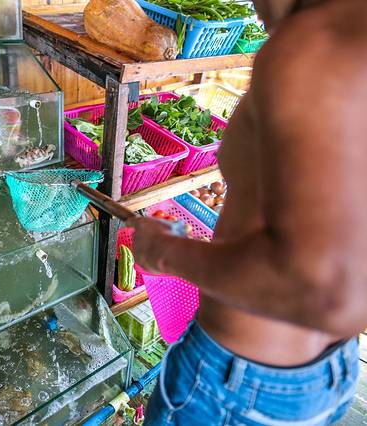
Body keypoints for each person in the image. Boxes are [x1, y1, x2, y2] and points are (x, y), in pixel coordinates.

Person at [127, 0, 367, 424]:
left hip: (239, 388)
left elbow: (327, 292)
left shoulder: (315, 41)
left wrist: (164, 254)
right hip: (326, 371)